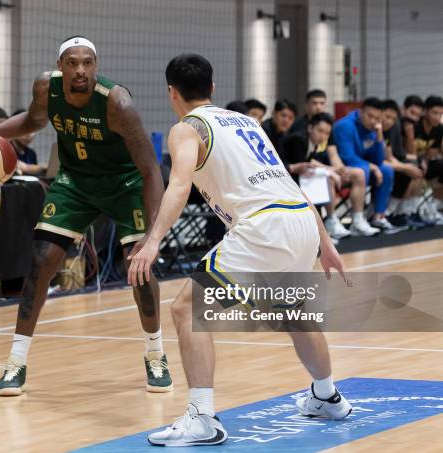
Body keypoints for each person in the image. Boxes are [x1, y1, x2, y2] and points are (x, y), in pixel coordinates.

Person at [127, 54, 352, 447]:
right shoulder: (249, 122)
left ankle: (202, 418)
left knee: (186, 309)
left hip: (264, 226)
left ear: (171, 93)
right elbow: (286, 183)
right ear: (212, 89)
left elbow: (178, 185)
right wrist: (325, 242)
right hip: (300, 218)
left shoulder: (187, 129)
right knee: (295, 312)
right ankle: (326, 396)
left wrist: (153, 241)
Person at [0, 36, 170, 396]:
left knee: (139, 268)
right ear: (60, 65)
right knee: (41, 260)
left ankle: (155, 354)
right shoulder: (45, 88)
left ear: (96, 67)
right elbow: (32, 121)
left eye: (87, 63)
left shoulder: (117, 103)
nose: (80, 69)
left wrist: (153, 235)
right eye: (72, 63)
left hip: (125, 184)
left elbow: (150, 170)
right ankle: (15, 363)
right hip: (76, 181)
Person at [280, 112, 373, 237]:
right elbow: (304, 166)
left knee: (358, 173)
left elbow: (310, 162)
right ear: (310, 128)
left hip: (298, 175)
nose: (323, 136)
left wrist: (333, 169)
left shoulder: (315, 141)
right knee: (326, 178)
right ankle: (328, 223)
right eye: (320, 131)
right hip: (284, 178)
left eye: (327, 133)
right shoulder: (298, 139)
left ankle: (357, 219)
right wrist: (331, 171)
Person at [333, 97, 396, 232]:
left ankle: (378, 216)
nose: (373, 121)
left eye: (377, 118)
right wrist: (372, 167)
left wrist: (379, 137)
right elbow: (347, 157)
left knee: (386, 170)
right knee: (364, 170)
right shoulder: (345, 126)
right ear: (360, 112)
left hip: (361, 165)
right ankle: (357, 220)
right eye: (370, 116)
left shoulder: (373, 129)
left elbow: (378, 160)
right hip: (340, 167)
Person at [380, 100, 429, 228]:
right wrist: (405, 167)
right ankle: (389, 212)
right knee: (405, 169)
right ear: (404, 109)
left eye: (392, 118)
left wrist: (410, 165)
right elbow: (383, 158)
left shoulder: (389, 128)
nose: (389, 121)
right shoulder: (395, 126)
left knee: (414, 168)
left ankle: (405, 212)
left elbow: (389, 156)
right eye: (387, 117)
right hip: (373, 166)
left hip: (389, 161)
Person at [413, 95, 443, 223]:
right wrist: (421, 162)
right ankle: (409, 211)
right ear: (425, 111)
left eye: (440, 114)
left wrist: (424, 160)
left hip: (423, 163)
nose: (437, 117)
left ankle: (433, 206)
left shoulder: (439, 129)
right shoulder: (414, 126)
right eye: (434, 113)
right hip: (408, 163)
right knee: (417, 169)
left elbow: (432, 152)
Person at [9, 110, 47, 176]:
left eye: (32, 130)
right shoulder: (6, 150)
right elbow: (23, 167)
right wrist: (43, 167)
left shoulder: (31, 153)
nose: (28, 134)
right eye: (24, 128)